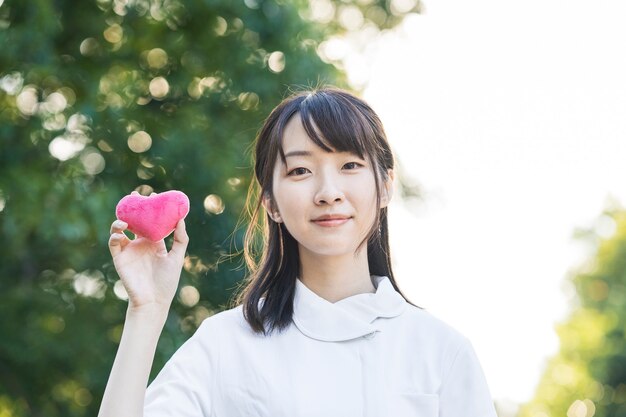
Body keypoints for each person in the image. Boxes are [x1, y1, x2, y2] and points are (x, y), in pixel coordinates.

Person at [99, 87, 498, 417]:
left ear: (386, 184)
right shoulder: (225, 344)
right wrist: (146, 312)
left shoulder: (440, 352)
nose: (328, 193)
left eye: (350, 165)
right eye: (301, 171)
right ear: (270, 200)